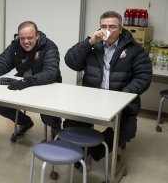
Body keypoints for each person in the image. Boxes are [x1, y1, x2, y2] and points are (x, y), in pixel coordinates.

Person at [64, 11, 152, 161]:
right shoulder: (91, 45)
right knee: (70, 124)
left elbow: (143, 77)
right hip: (90, 98)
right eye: (103, 26)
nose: (107, 30)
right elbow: (71, 62)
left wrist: (121, 96)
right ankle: (78, 156)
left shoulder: (134, 49)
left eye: (112, 26)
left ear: (120, 29)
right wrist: (89, 42)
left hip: (121, 99)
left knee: (127, 130)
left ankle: (96, 151)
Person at [0, 21, 62, 139]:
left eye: (29, 38)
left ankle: (56, 127)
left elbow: (51, 73)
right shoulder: (15, 46)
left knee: (47, 116)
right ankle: (25, 122)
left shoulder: (49, 47)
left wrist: (28, 81)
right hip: (24, 83)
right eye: (22, 38)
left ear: (37, 36)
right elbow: (3, 61)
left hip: (46, 85)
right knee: (2, 106)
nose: (25, 42)